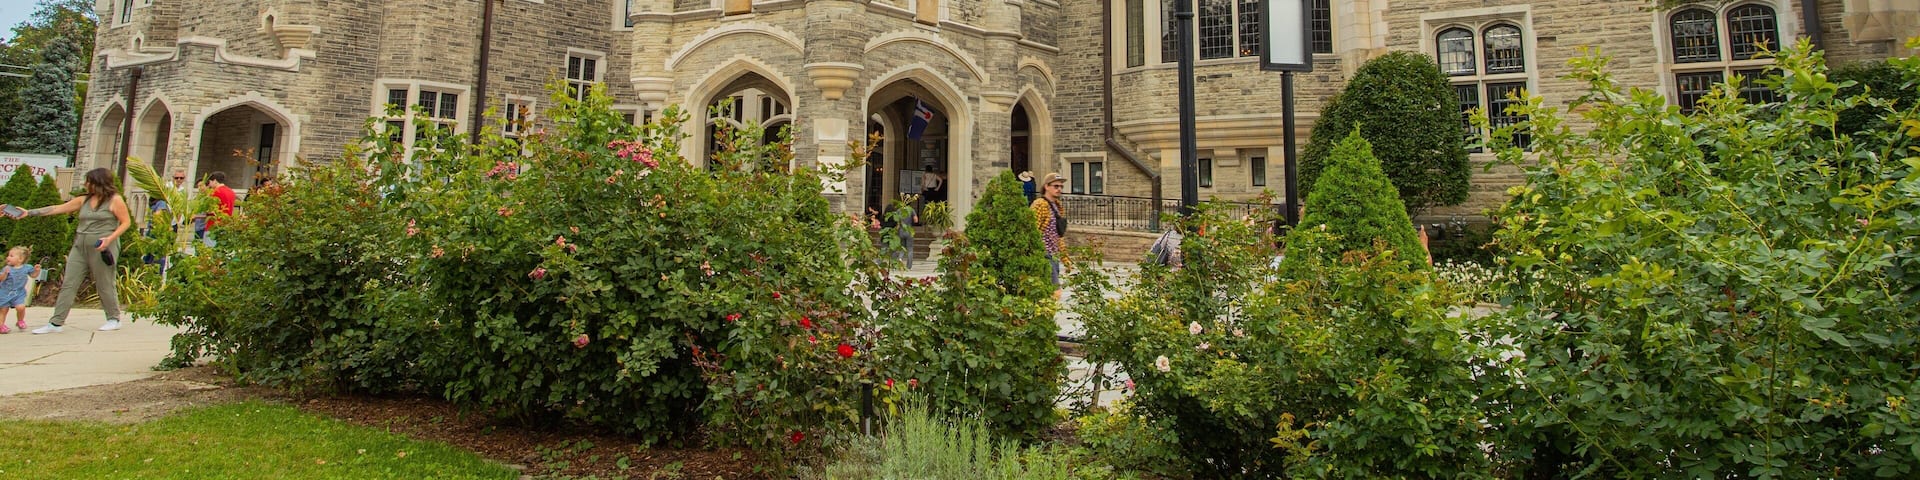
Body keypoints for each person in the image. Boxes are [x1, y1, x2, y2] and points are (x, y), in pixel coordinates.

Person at [9, 168, 133, 334]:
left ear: (98, 182)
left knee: (104, 282)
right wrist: (29, 213)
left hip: (103, 247)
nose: (85, 184)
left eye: (88, 181)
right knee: (69, 283)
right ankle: (56, 323)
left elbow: (126, 222)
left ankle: (113, 319)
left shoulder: (115, 200)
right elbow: (57, 208)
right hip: (80, 246)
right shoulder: (84, 200)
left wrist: (110, 239)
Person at [1030, 173, 1068, 290]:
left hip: (1054, 254)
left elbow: (1059, 235)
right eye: (1056, 186)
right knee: (1055, 290)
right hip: (1043, 253)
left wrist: (1065, 258)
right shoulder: (1040, 204)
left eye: (1061, 187)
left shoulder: (1057, 206)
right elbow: (1032, 229)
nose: (1059, 189)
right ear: (1046, 186)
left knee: (1050, 291)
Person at [0, 247, 39, 334]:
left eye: (11, 256)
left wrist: (37, 271)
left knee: (21, 307)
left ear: (20, 259)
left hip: (19, 293)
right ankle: (1, 325)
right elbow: (1, 279)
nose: (8, 257)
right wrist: (5, 274)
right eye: (8, 255)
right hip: (5, 293)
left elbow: (33, 276)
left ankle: (20, 321)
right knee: (3, 310)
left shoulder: (27, 268)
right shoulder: (7, 268)